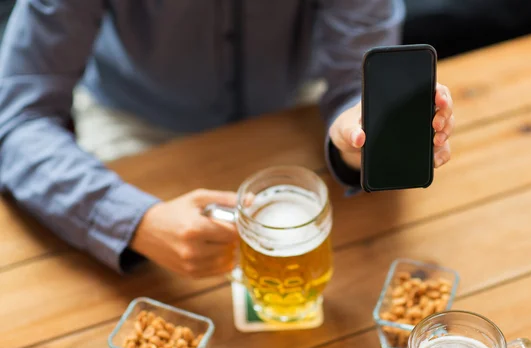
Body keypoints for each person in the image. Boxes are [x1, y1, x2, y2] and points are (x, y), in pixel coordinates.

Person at [0, 0, 454, 279]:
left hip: (291, 106)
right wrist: (135, 222)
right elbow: (16, 118)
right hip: (133, 119)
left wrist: (358, 134)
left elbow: (353, 83)